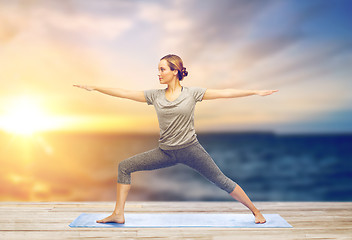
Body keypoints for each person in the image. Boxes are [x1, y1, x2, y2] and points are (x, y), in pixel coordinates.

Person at [74, 54, 278, 224]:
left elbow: (225, 93)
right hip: (165, 152)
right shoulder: (155, 96)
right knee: (124, 166)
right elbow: (125, 93)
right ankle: (118, 214)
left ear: (175, 71)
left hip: (191, 150)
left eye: (162, 69)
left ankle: (256, 212)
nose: (159, 73)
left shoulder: (192, 93)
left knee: (222, 181)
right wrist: (96, 87)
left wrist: (255, 92)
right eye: (158, 69)